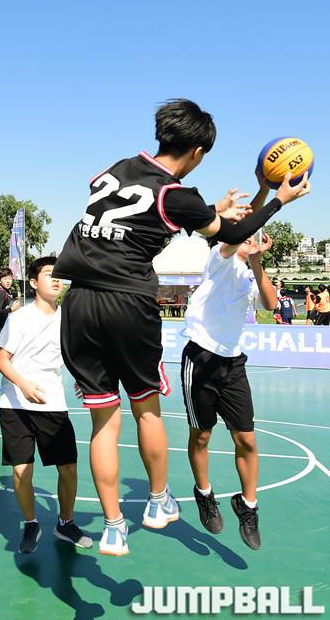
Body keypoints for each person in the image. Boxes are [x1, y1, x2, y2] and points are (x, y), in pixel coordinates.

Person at [53, 98, 310, 556]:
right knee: (146, 409)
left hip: (78, 302)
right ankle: (157, 501)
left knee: (103, 423)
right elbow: (229, 234)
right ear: (197, 151)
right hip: (126, 302)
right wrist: (278, 200)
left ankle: (113, 525)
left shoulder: (117, 169)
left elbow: (140, 213)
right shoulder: (177, 195)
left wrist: (210, 209)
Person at [181, 223, 278, 550]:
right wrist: (270, 200)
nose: (250, 238)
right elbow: (235, 235)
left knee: (246, 439)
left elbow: (270, 304)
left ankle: (248, 506)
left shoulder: (249, 273)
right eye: (245, 235)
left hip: (233, 364)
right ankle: (204, 493)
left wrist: (257, 263)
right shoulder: (218, 258)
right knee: (202, 436)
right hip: (201, 359)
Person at [0, 257, 92, 554]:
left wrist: (81, 378)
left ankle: (66, 523)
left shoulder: (68, 319)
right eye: (49, 274)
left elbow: (72, 354)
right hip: (16, 404)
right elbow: (1, 360)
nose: (56, 279)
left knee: (69, 467)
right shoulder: (19, 318)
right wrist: (23, 385)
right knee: (22, 470)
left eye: (59, 275)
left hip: (52, 402)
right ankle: (31, 523)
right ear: (34, 283)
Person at [0, 267, 21, 336]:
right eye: (5, 279)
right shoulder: (2, 293)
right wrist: (12, 309)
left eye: (10, 279)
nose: (8, 281)